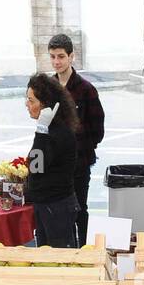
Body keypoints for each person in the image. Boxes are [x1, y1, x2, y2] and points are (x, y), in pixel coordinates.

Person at [49, 34, 104, 245]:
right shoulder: (47, 88)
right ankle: (65, 252)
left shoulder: (86, 89)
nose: (56, 62)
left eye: (61, 56)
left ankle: (85, 250)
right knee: (59, 211)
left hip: (79, 163)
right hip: (55, 164)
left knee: (80, 209)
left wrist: (82, 148)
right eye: (53, 57)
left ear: (72, 56)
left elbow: (98, 128)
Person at [23, 73, 80, 248]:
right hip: (48, 204)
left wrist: (41, 130)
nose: (27, 104)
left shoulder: (56, 132)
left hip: (56, 207)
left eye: (31, 100)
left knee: (59, 260)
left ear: (46, 105)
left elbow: (35, 165)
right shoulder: (52, 129)